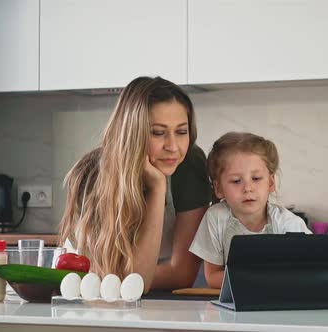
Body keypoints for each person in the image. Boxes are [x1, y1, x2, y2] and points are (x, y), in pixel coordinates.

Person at [58, 76, 212, 293]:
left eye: (181, 131)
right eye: (158, 132)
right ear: (133, 133)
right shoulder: (90, 173)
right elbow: (102, 274)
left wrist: (158, 187)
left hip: (159, 300)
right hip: (97, 298)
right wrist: (124, 280)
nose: (173, 146)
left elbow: (180, 274)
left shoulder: (190, 166)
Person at [189, 132, 311, 289]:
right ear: (219, 188)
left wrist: (255, 278)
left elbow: (306, 271)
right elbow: (212, 277)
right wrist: (262, 279)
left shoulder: (288, 223)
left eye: (256, 178)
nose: (248, 188)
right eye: (236, 181)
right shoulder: (216, 218)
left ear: (271, 182)